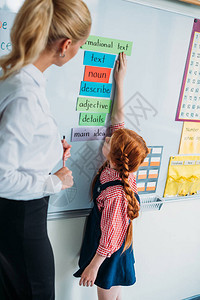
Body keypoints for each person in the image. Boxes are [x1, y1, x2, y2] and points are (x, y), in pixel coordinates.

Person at [0, 0, 91, 299]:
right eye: (80, 45)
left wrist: (50, 146)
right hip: (20, 221)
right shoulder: (25, 94)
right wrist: (55, 181)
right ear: (65, 45)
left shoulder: (15, 76)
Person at [73, 52, 149, 300]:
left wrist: (94, 265)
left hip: (110, 252)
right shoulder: (123, 168)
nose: (107, 137)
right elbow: (118, 120)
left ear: (115, 157)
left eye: (109, 141)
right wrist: (120, 82)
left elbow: (112, 234)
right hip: (115, 247)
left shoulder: (117, 192)